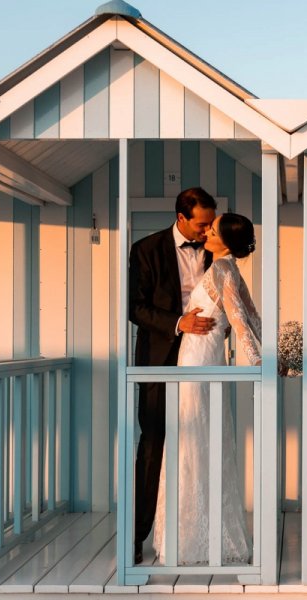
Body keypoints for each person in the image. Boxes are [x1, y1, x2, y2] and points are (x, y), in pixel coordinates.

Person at [153, 212, 260, 565]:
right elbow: (252, 316)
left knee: (192, 441)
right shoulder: (228, 269)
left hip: (198, 362)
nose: (206, 232)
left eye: (212, 230)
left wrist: (262, 362)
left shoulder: (221, 270)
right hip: (200, 356)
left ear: (224, 241)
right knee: (198, 439)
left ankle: (190, 541)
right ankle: (196, 533)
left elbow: (242, 320)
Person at [129, 187, 218, 565]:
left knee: (199, 442)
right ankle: (136, 535)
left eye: (211, 222)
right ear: (181, 217)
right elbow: (136, 308)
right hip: (159, 358)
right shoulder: (145, 249)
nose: (208, 229)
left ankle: (192, 531)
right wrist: (179, 323)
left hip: (203, 360)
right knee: (154, 444)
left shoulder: (216, 249)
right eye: (202, 223)